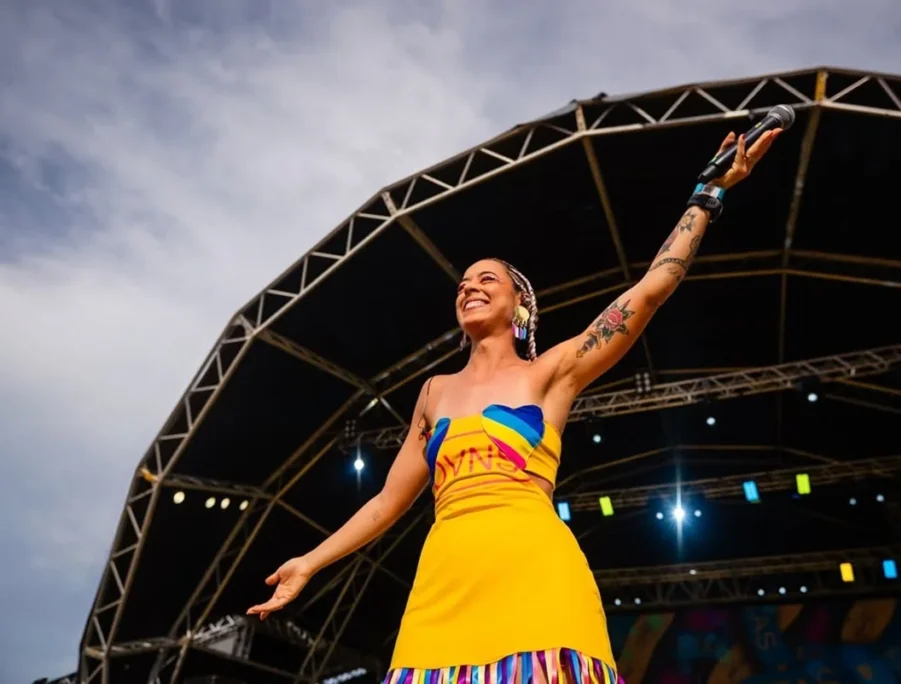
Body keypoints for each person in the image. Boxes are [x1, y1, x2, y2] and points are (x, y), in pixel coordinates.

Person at [248, 128, 782, 683]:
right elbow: (387, 502)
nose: (468, 288)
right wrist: (309, 562)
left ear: (520, 303)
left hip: (537, 576)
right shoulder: (434, 392)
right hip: (443, 588)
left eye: (487, 279)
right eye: (462, 284)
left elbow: (651, 289)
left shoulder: (551, 373)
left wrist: (707, 194)